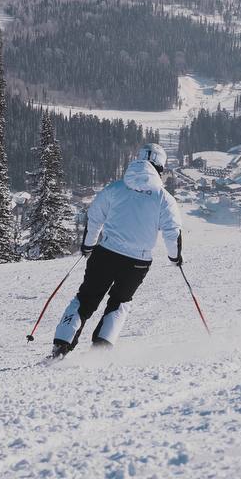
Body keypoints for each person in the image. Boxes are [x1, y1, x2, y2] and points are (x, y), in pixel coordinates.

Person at [52, 143, 183, 357]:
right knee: (120, 302)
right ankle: (100, 351)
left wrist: (88, 244)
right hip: (137, 263)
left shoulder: (116, 188)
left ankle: (62, 343)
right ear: (161, 167)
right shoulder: (164, 199)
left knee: (85, 299)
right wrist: (175, 257)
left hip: (105, 254)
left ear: (138, 160)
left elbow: (94, 217)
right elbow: (172, 232)